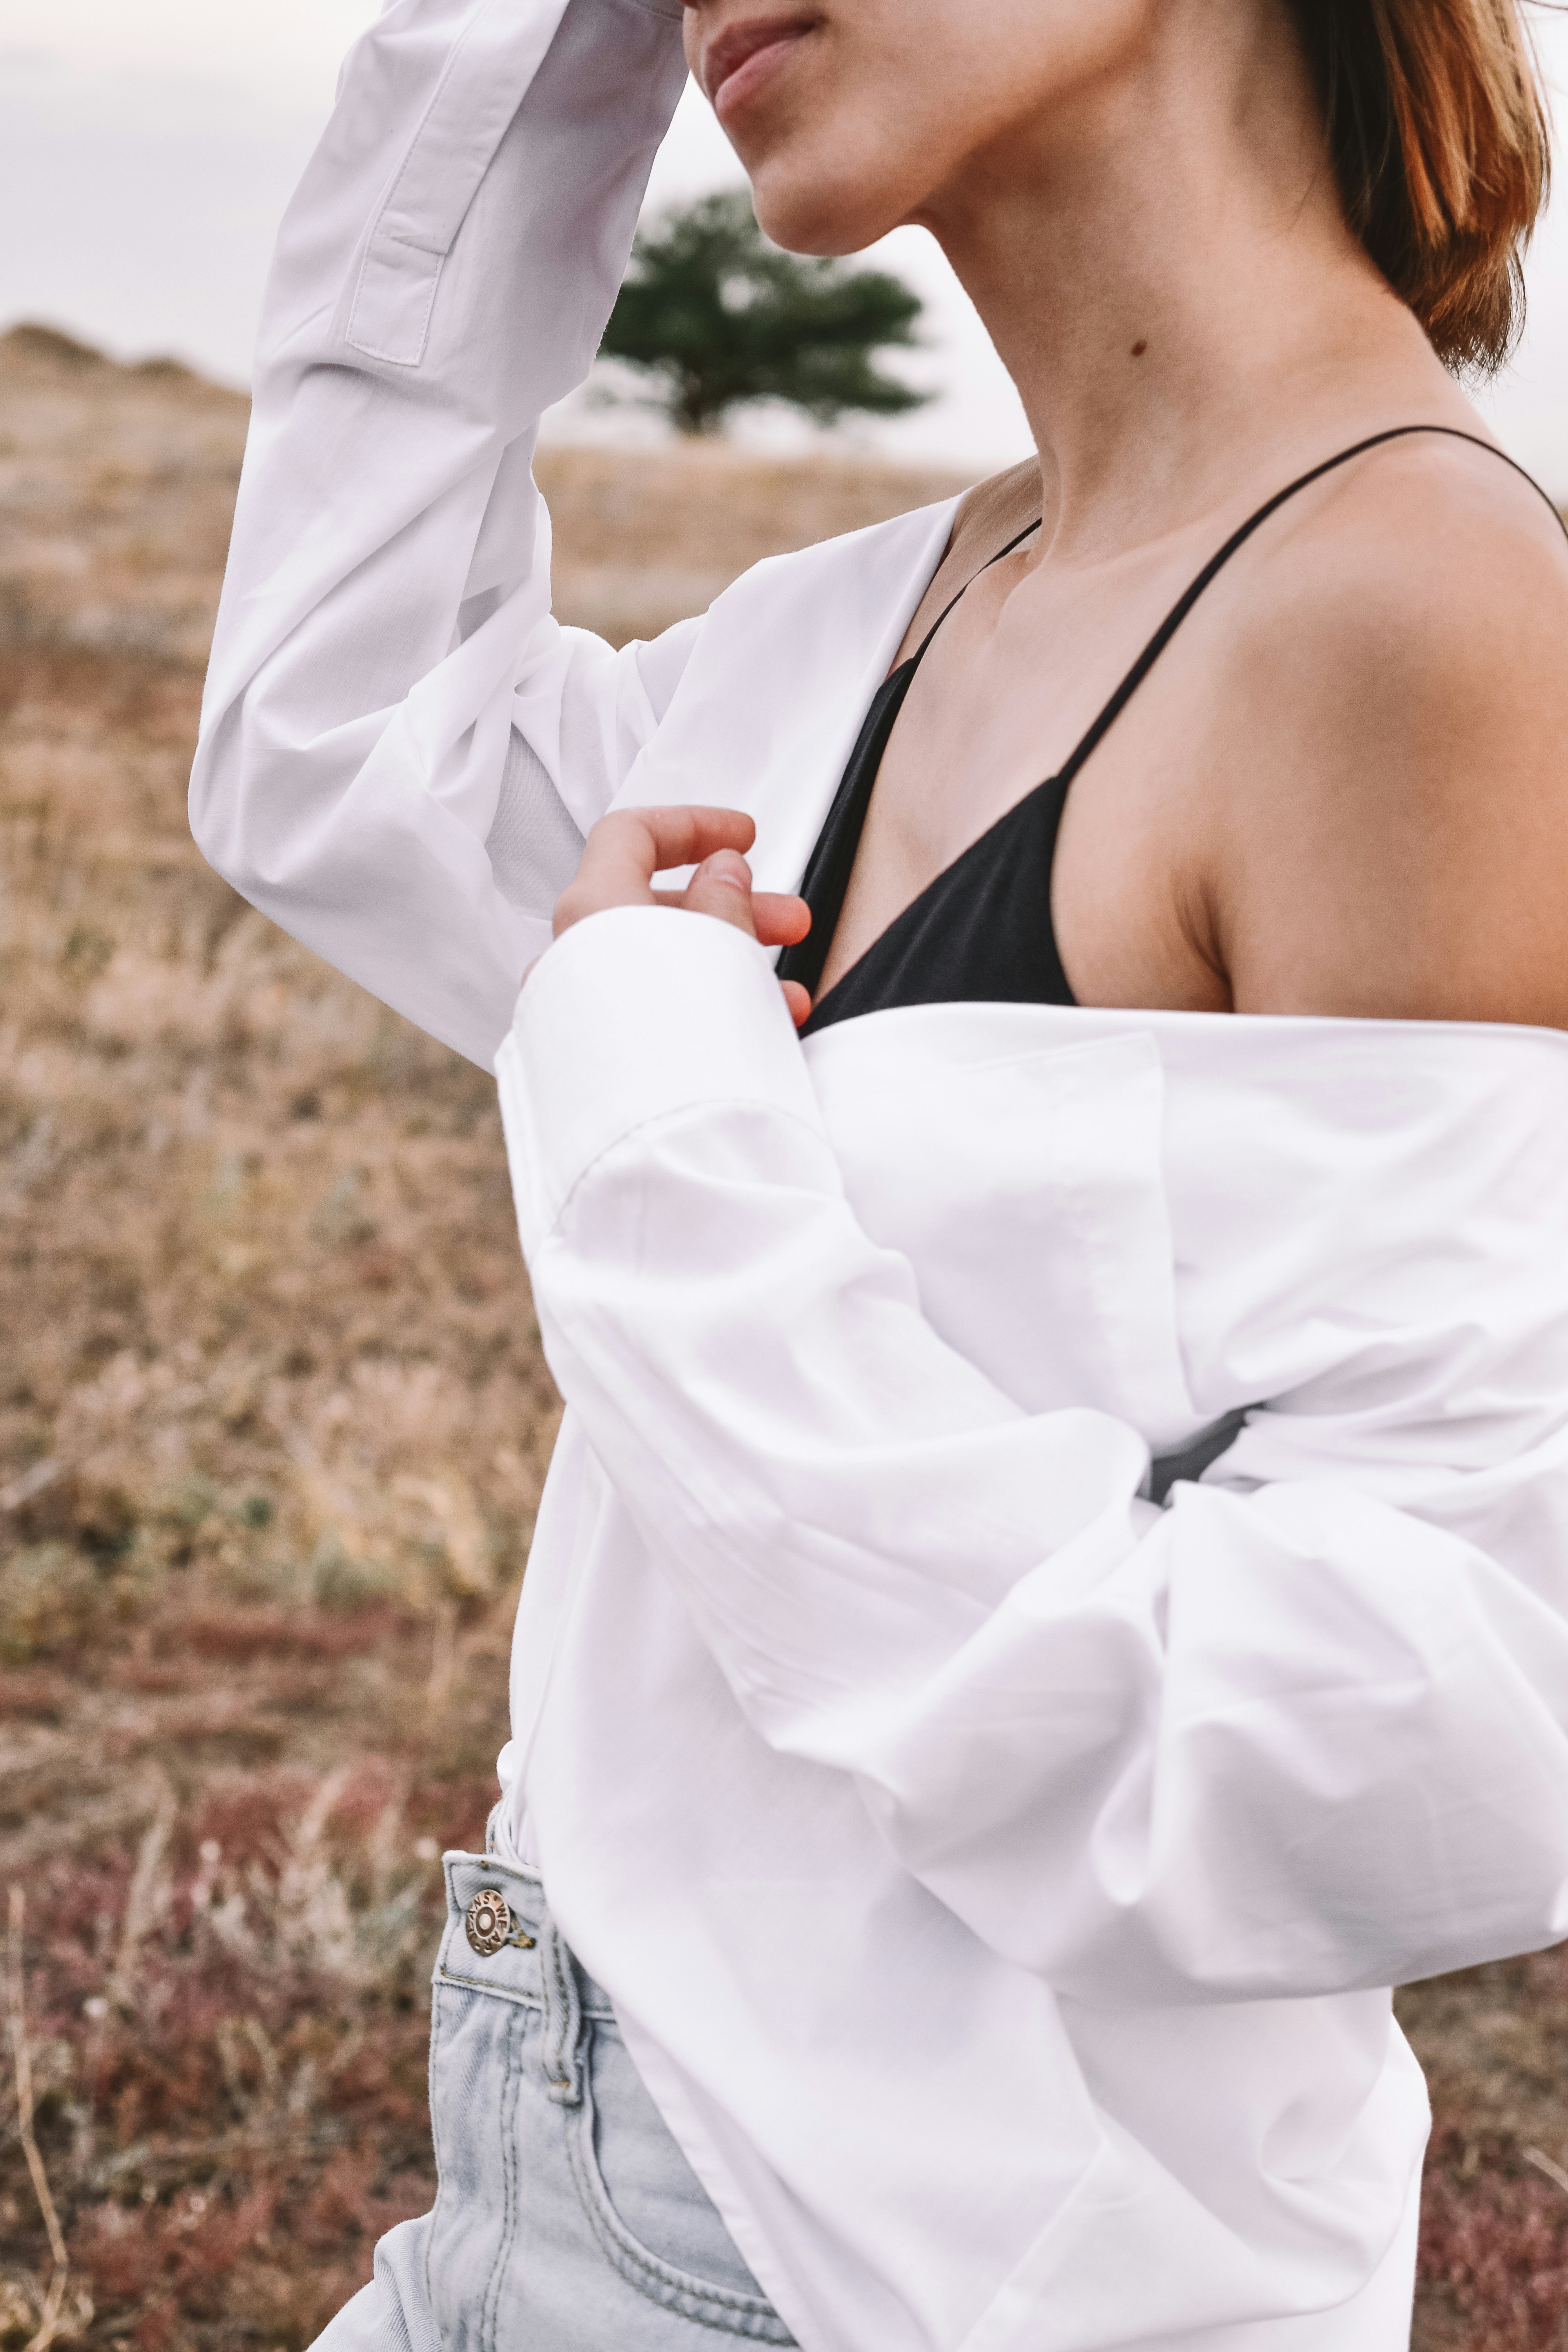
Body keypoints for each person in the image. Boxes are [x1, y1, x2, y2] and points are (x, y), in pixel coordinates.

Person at [191, 1, 1568, 2345]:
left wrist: (654, 1129)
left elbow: (1423, 1754)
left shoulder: (1413, 613)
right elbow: (332, 747)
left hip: (902, 2283)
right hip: (544, 2139)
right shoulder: (881, 610)